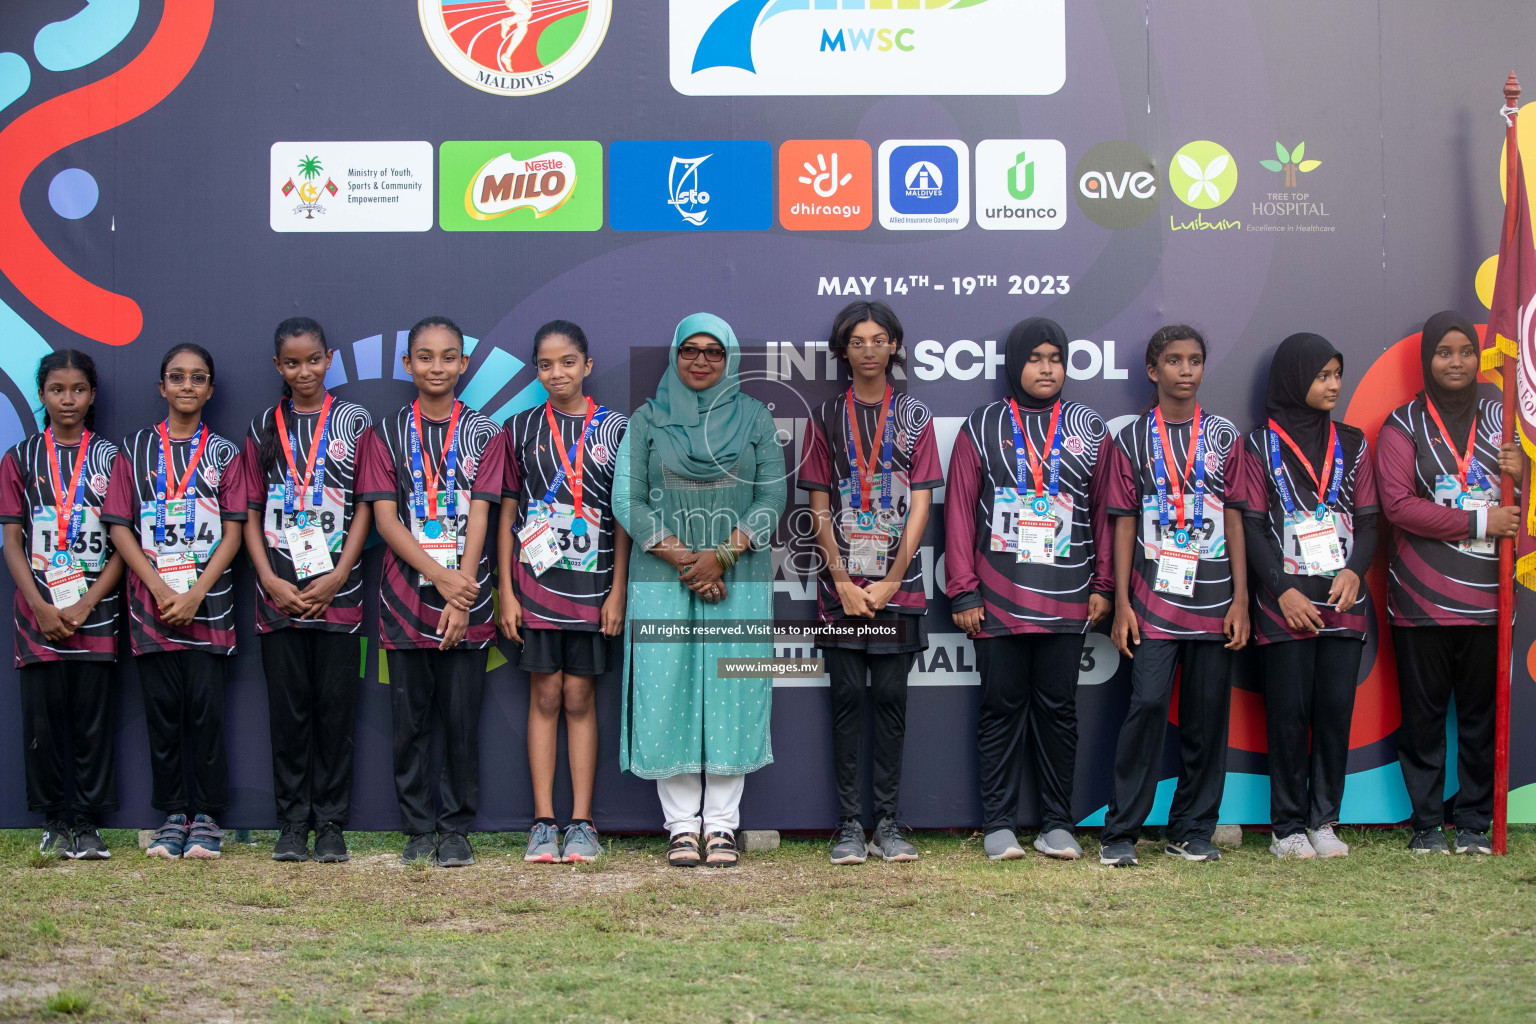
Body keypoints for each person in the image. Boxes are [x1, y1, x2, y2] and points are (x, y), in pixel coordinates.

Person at [613, 313, 785, 868]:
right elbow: (628, 503)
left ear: (730, 358)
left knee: (731, 694)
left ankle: (723, 826)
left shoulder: (756, 417)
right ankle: (683, 826)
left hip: (739, 578)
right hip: (663, 579)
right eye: (690, 349)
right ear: (675, 354)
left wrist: (724, 556)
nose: (702, 360)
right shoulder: (647, 420)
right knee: (669, 692)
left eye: (714, 351)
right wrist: (693, 562)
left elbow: (771, 499)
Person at [944, 317, 1111, 862]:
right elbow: (961, 514)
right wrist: (964, 591)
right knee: (1000, 708)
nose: (1046, 368)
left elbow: (1108, 513)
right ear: (1016, 364)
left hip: (1067, 598)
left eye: (1055, 358)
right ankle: (998, 825)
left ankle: (1056, 824)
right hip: (997, 601)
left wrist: (1104, 584)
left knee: (1060, 711)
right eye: (1036, 358)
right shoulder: (982, 425)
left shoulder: (1089, 427)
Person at [1099, 325, 1251, 866]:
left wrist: (1241, 600)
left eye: (1194, 360)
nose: (1185, 370)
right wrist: (1120, 605)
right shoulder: (1131, 439)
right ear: (1153, 370)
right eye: (1174, 361)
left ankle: (1192, 828)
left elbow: (1235, 519)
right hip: (1151, 602)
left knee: (1208, 717)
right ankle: (1121, 832)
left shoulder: (1226, 436)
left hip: (1214, 601)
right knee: (1146, 707)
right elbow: (1120, 524)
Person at [357, 316, 505, 867]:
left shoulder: (486, 433)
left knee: (463, 726)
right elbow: (387, 521)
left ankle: (456, 829)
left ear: (464, 364)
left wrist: (460, 595)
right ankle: (418, 828)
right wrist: (439, 578)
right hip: (404, 600)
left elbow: (482, 517)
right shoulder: (385, 432)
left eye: (448, 357)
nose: (436, 367)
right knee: (409, 724)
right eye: (424, 356)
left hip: (469, 600)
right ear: (407, 365)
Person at [1376, 310, 1523, 855]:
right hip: (1420, 601)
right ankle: (1426, 826)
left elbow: (1525, 508)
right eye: (1444, 352)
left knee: (1482, 718)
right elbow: (1397, 505)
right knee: (1424, 716)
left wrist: (1524, 469)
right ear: (1427, 360)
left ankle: (1475, 824)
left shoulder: (1504, 416)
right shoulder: (1402, 423)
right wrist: (1480, 521)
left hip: (1489, 599)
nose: (1456, 361)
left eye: (1465, 350)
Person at [800, 301, 940, 865]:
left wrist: (890, 581)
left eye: (879, 340)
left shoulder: (913, 414)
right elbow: (816, 502)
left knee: (889, 699)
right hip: (840, 587)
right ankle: (849, 826)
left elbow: (923, 501)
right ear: (843, 351)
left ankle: (887, 821)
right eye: (858, 341)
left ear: (894, 347)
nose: (869, 350)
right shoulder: (824, 416)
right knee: (845, 700)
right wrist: (841, 579)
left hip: (896, 588)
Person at [102, 344, 246, 859]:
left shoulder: (226, 453)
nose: (187, 386)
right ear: (161, 387)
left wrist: (195, 592)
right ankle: (171, 815)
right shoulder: (134, 449)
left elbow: (234, 532)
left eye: (198, 378)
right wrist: (163, 590)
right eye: (177, 377)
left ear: (210, 389)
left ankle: (206, 816)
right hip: (152, 609)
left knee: (206, 714)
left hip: (209, 608)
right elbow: (119, 528)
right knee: (163, 714)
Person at [497, 320, 630, 864]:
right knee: (544, 696)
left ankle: (582, 821)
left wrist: (618, 590)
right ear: (536, 371)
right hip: (534, 588)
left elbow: (624, 518)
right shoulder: (520, 428)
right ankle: (542, 821)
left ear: (587, 366)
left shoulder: (616, 428)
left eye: (568, 362)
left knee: (580, 697)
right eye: (547, 365)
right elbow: (507, 510)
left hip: (594, 588)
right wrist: (506, 592)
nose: (558, 373)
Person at [241, 317, 373, 864]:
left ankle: (331, 825)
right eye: (292, 363)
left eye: (313, 360)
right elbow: (247, 513)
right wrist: (268, 578)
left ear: (329, 359)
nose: (304, 371)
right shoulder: (262, 426)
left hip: (339, 595)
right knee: (288, 714)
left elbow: (369, 503)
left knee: (335, 712)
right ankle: (292, 823)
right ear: (278, 366)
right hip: (280, 596)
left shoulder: (356, 421)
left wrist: (341, 572)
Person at [1242, 334, 1378, 859]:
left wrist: (1356, 571)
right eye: (1322, 375)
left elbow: (1369, 519)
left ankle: (1324, 820)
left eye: (1338, 374)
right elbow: (1251, 527)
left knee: (1335, 709)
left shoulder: (1354, 441)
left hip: (1343, 597)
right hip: (1286, 602)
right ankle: (1287, 828)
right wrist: (1282, 591)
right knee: (1289, 712)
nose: (1334, 386)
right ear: (1296, 379)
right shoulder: (1258, 445)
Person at [0, 350, 124, 859]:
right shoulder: (19, 459)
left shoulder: (113, 458)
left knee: (94, 723)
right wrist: (43, 609)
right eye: (56, 390)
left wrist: (88, 602)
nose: (67, 399)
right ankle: (53, 820)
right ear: (42, 395)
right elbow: (12, 543)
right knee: (43, 723)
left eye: (77, 389)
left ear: (92, 395)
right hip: (39, 617)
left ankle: (90, 824)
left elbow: (123, 544)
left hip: (96, 614)